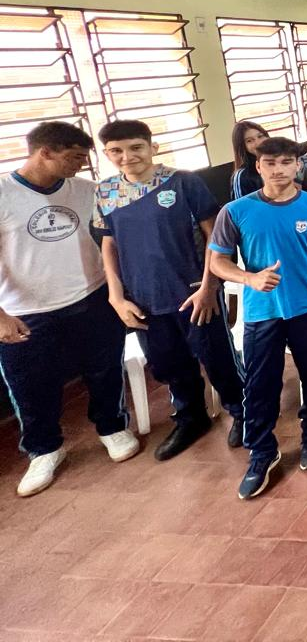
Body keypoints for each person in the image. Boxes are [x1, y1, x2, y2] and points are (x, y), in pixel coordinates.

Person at [0, 122, 140, 497]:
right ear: (44, 152)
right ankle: (44, 449)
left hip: (91, 296)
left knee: (104, 369)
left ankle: (112, 427)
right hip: (24, 310)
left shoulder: (87, 191)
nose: (81, 164)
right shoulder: (3, 193)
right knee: (30, 384)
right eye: (74, 157)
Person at [94, 120, 246, 461]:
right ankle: (191, 418)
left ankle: (242, 411)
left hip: (194, 290)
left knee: (216, 356)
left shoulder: (183, 182)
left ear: (152, 147)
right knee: (167, 362)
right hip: (144, 296)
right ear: (106, 154)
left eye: (135, 147)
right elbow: (109, 246)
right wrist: (116, 296)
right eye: (116, 151)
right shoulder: (105, 192)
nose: (127, 156)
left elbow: (214, 236)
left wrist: (210, 286)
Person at [208, 136, 307, 499]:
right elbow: (217, 262)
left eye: (287, 162)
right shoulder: (235, 211)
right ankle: (262, 453)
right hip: (261, 314)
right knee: (260, 385)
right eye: (270, 163)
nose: (279, 170)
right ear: (258, 167)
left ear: (298, 165)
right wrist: (249, 277)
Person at [230, 121, 269, 199]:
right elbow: (241, 208)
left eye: (260, 136)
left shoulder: (280, 163)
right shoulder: (242, 175)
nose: (258, 143)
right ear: (242, 146)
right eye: (249, 141)